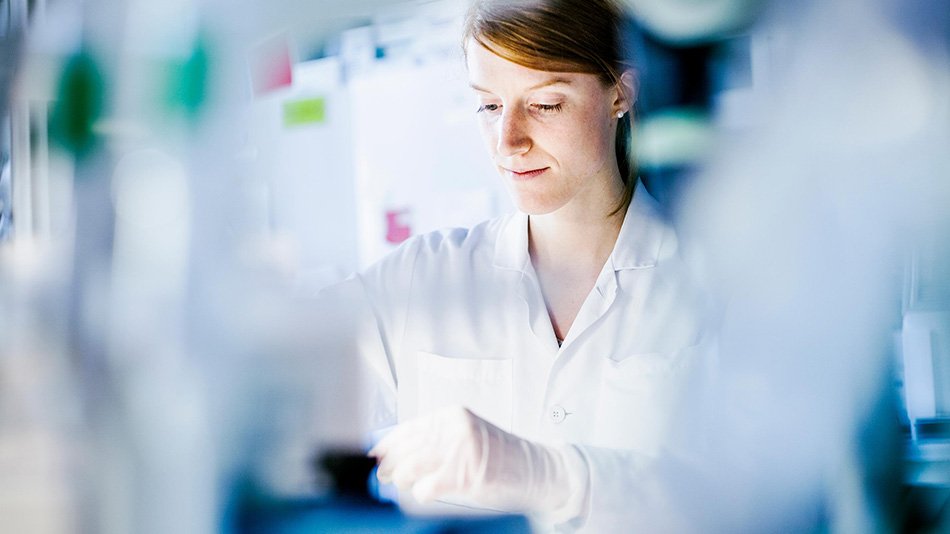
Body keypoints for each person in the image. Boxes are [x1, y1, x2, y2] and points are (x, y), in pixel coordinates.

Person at [332, 0, 713, 530]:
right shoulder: (420, 278)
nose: (508, 141)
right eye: (490, 106)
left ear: (619, 94)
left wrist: (548, 476)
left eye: (545, 105)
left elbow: (749, 498)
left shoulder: (713, 286)